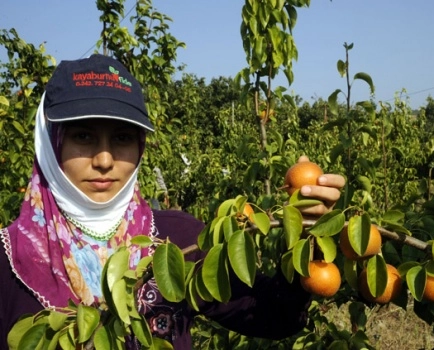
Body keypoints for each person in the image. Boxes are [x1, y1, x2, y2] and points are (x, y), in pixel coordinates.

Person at [0, 54, 345, 349]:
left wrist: (309, 238)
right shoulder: (9, 262)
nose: (104, 159)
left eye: (122, 137)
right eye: (83, 135)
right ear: (50, 141)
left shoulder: (176, 239)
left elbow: (272, 315)